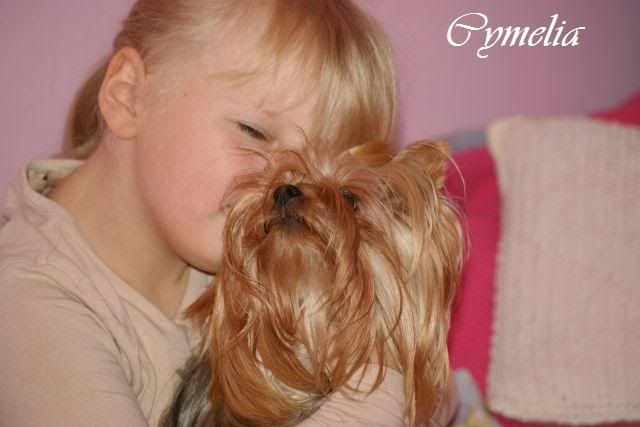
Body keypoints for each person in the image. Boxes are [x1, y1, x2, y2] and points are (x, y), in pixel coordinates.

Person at [0, 0, 458, 425]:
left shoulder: (235, 246)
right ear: (128, 96)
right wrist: (380, 376)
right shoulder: (24, 307)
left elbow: (439, 398)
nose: (286, 181)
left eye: (320, 170)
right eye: (254, 132)